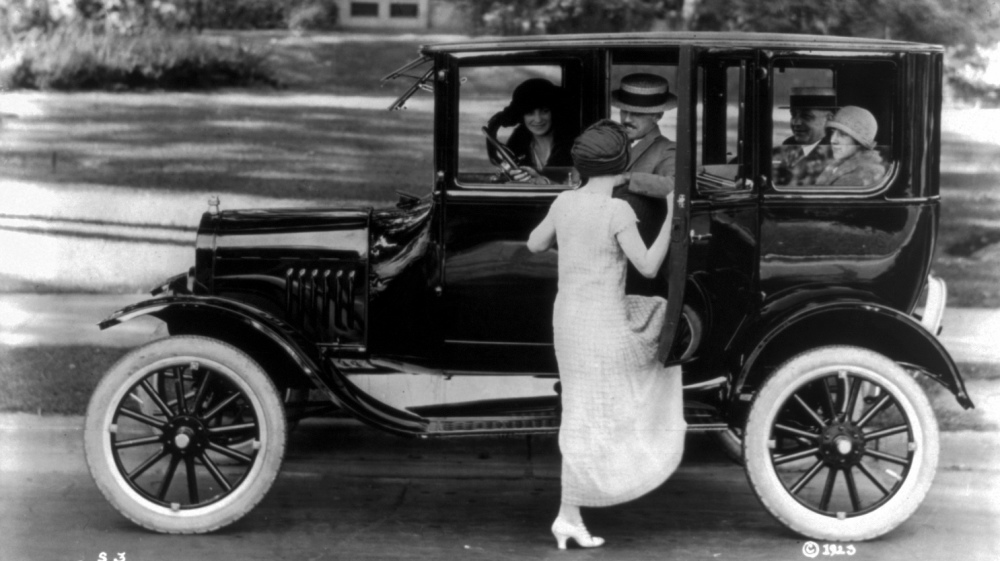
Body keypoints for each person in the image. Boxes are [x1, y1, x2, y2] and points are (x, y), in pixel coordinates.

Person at [527, 120, 686, 550]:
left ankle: (568, 515)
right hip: (603, 323)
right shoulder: (618, 210)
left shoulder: (564, 202)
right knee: (662, 322)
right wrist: (672, 214)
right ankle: (574, 508)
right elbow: (649, 267)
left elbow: (534, 245)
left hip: (568, 322)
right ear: (620, 166)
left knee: (578, 410)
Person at [610, 72, 677, 295]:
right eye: (624, 110)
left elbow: (675, 186)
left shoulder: (667, 149)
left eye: (637, 113)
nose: (627, 119)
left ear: (657, 115)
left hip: (639, 258)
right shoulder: (609, 145)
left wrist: (627, 178)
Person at [486, 78, 575, 185]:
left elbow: (578, 184)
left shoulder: (574, 143)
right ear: (521, 116)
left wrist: (544, 182)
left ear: (554, 112)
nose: (538, 119)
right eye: (530, 113)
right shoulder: (518, 142)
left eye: (544, 111)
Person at [773, 87, 838, 186]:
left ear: (829, 119)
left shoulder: (837, 151)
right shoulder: (788, 144)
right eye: (793, 115)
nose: (796, 122)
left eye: (806, 116)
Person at [814, 106, 887, 188]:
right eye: (833, 132)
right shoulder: (839, 165)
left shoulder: (857, 176)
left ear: (859, 143)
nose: (833, 140)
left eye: (843, 134)